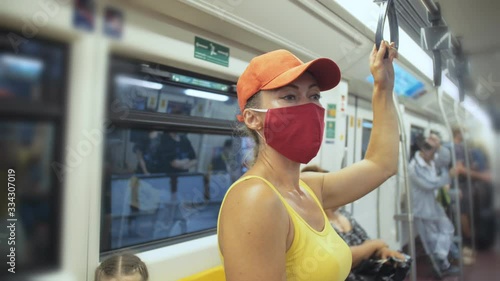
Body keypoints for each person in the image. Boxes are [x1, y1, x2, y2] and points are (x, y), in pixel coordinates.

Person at [218, 41, 399, 281]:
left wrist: (383, 86)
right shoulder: (255, 199)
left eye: (314, 95)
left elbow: (381, 164)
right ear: (253, 118)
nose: (308, 107)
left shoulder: (308, 187)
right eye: (290, 96)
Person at [302, 165, 408, 281]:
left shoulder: (344, 215)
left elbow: (366, 239)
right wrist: (374, 245)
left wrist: (383, 250)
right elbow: (343, 257)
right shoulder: (314, 224)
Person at [409, 135, 460, 277]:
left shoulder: (430, 160)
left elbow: (445, 159)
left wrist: (439, 145)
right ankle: (442, 267)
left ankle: (441, 257)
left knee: (447, 228)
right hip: (423, 209)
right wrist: (448, 176)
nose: (435, 156)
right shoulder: (414, 168)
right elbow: (429, 185)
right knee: (431, 240)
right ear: (423, 151)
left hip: (435, 205)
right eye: (432, 152)